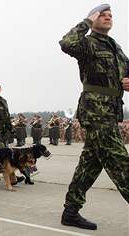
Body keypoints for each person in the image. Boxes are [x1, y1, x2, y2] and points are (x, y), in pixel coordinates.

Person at [59, 4, 129, 230]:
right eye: (103, 15)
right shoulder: (87, 43)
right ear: (94, 18)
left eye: (111, 15)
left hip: (110, 111)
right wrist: (87, 22)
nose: (108, 17)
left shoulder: (115, 47)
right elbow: (66, 43)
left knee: (90, 164)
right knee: (121, 162)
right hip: (96, 112)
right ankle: (70, 210)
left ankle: (70, 211)